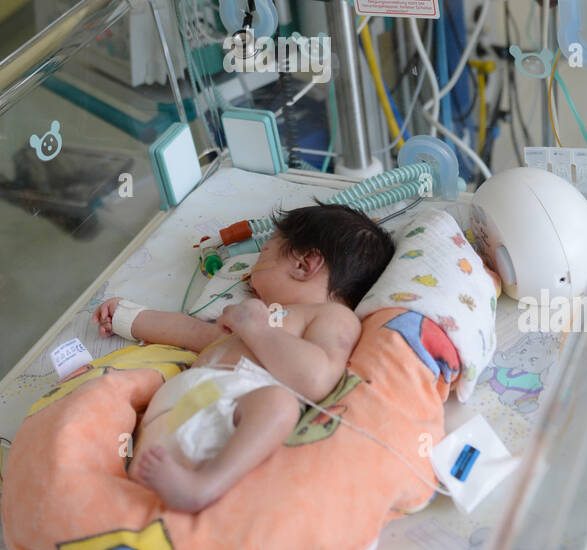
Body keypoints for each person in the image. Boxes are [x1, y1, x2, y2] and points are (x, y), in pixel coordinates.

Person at [92, 205, 394, 512]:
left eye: (264, 254)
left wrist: (256, 329)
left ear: (305, 264)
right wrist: (127, 317)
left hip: (235, 418)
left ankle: (204, 485)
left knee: (280, 404)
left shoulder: (334, 318)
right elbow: (191, 332)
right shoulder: (252, 318)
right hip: (174, 414)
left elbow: (316, 379)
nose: (249, 273)